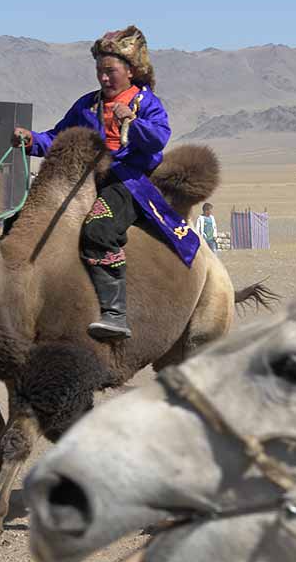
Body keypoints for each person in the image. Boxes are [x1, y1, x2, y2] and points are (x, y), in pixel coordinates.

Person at [13, 26, 196, 340]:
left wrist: (132, 123)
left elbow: (158, 139)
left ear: (129, 71)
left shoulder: (145, 102)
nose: (103, 78)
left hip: (129, 181)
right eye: (99, 71)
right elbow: (58, 137)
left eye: (110, 71)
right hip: (86, 178)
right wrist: (30, 141)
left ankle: (115, 312)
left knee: (100, 228)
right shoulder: (87, 104)